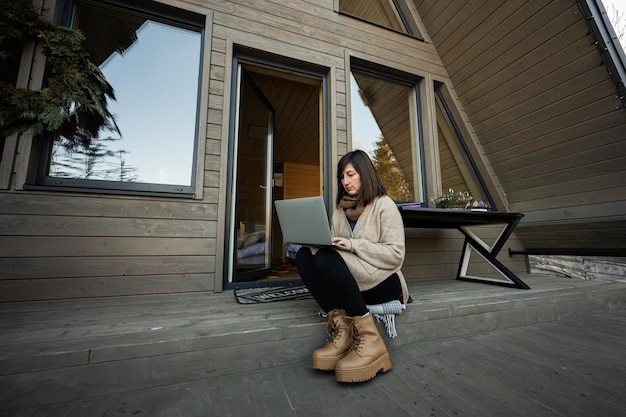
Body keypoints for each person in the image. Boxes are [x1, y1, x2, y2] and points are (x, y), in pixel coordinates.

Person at [296, 150, 409, 383]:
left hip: (384, 280)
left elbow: (396, 255)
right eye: (341, 177)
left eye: (350, 174)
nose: (345, 181)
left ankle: (371, 340)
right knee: (305, 255)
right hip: (354, 277)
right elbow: (334, 252)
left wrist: (353, 244)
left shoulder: (384, 205)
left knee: (326, 257)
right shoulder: (340, 209)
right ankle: (343, 329)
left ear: (364, 174)